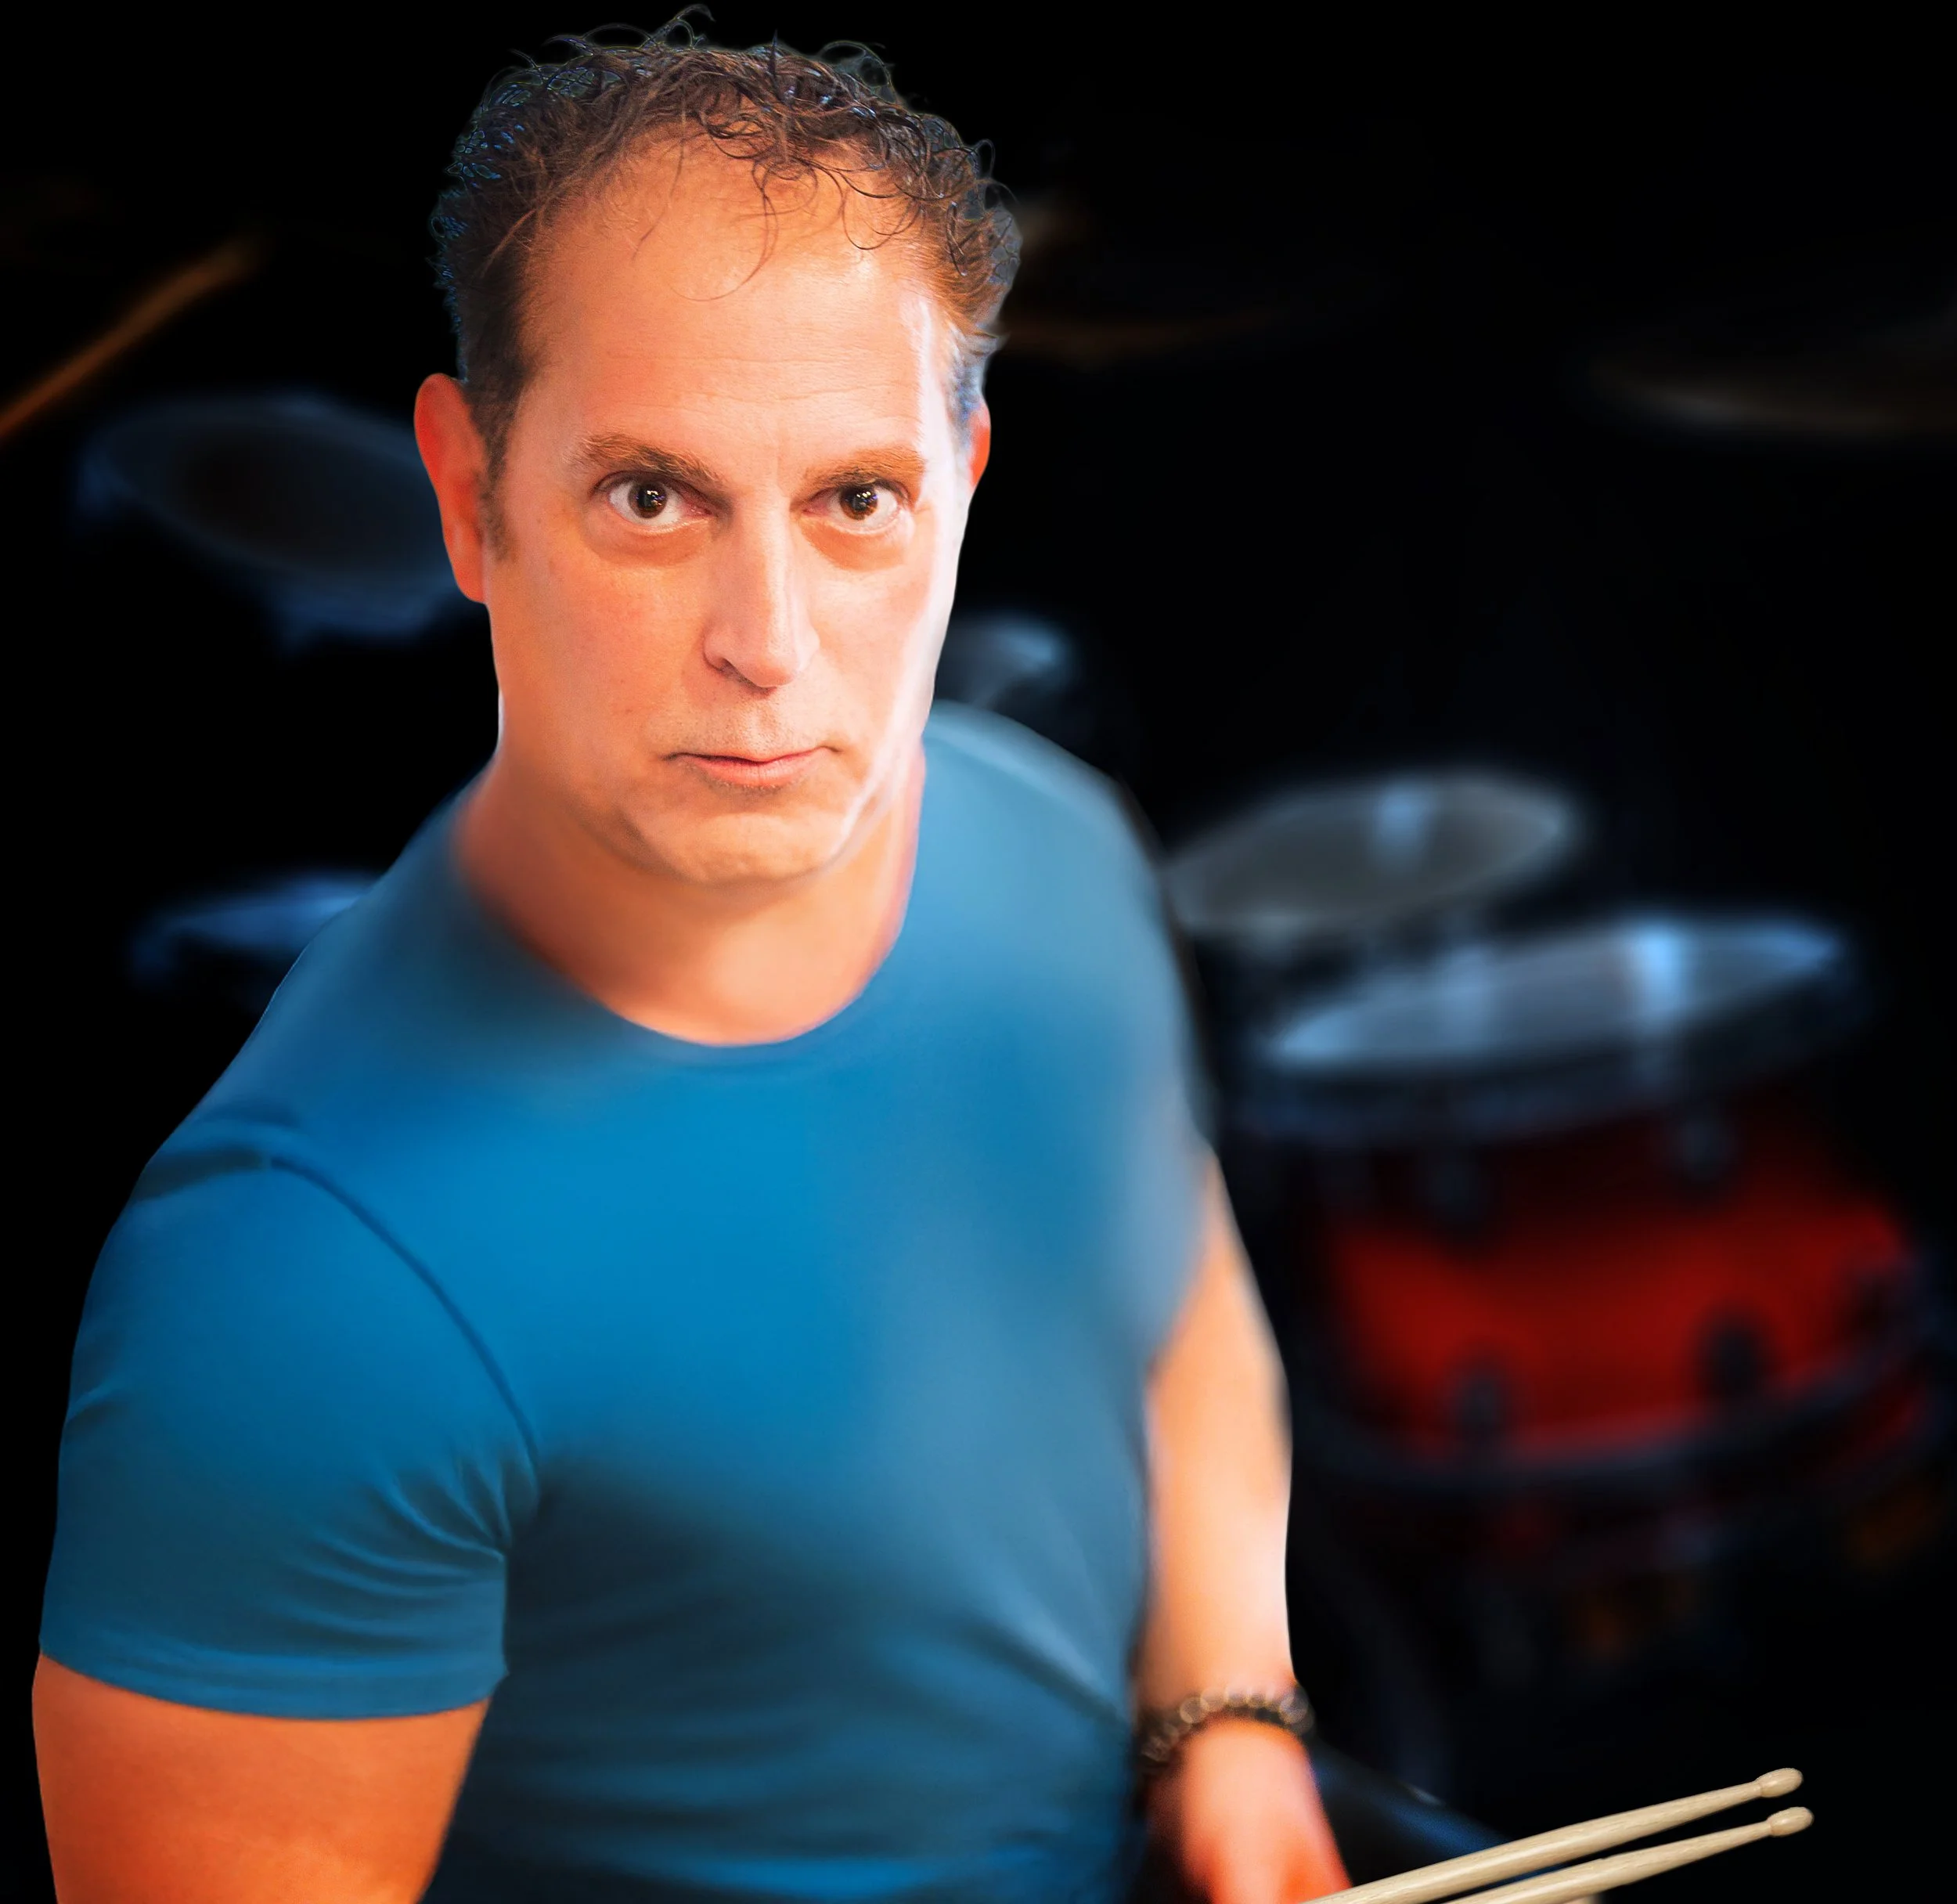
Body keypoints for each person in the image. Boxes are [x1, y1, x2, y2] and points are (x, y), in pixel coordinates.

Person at [34, 26, 1350, 1904]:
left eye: (853, 501)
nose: (767, 645)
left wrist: (1219, 1727)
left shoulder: (1052, 853)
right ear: (468, 497)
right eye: (652, 497)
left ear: (965, 483)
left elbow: (1171, 1302)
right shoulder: (297, 1285)